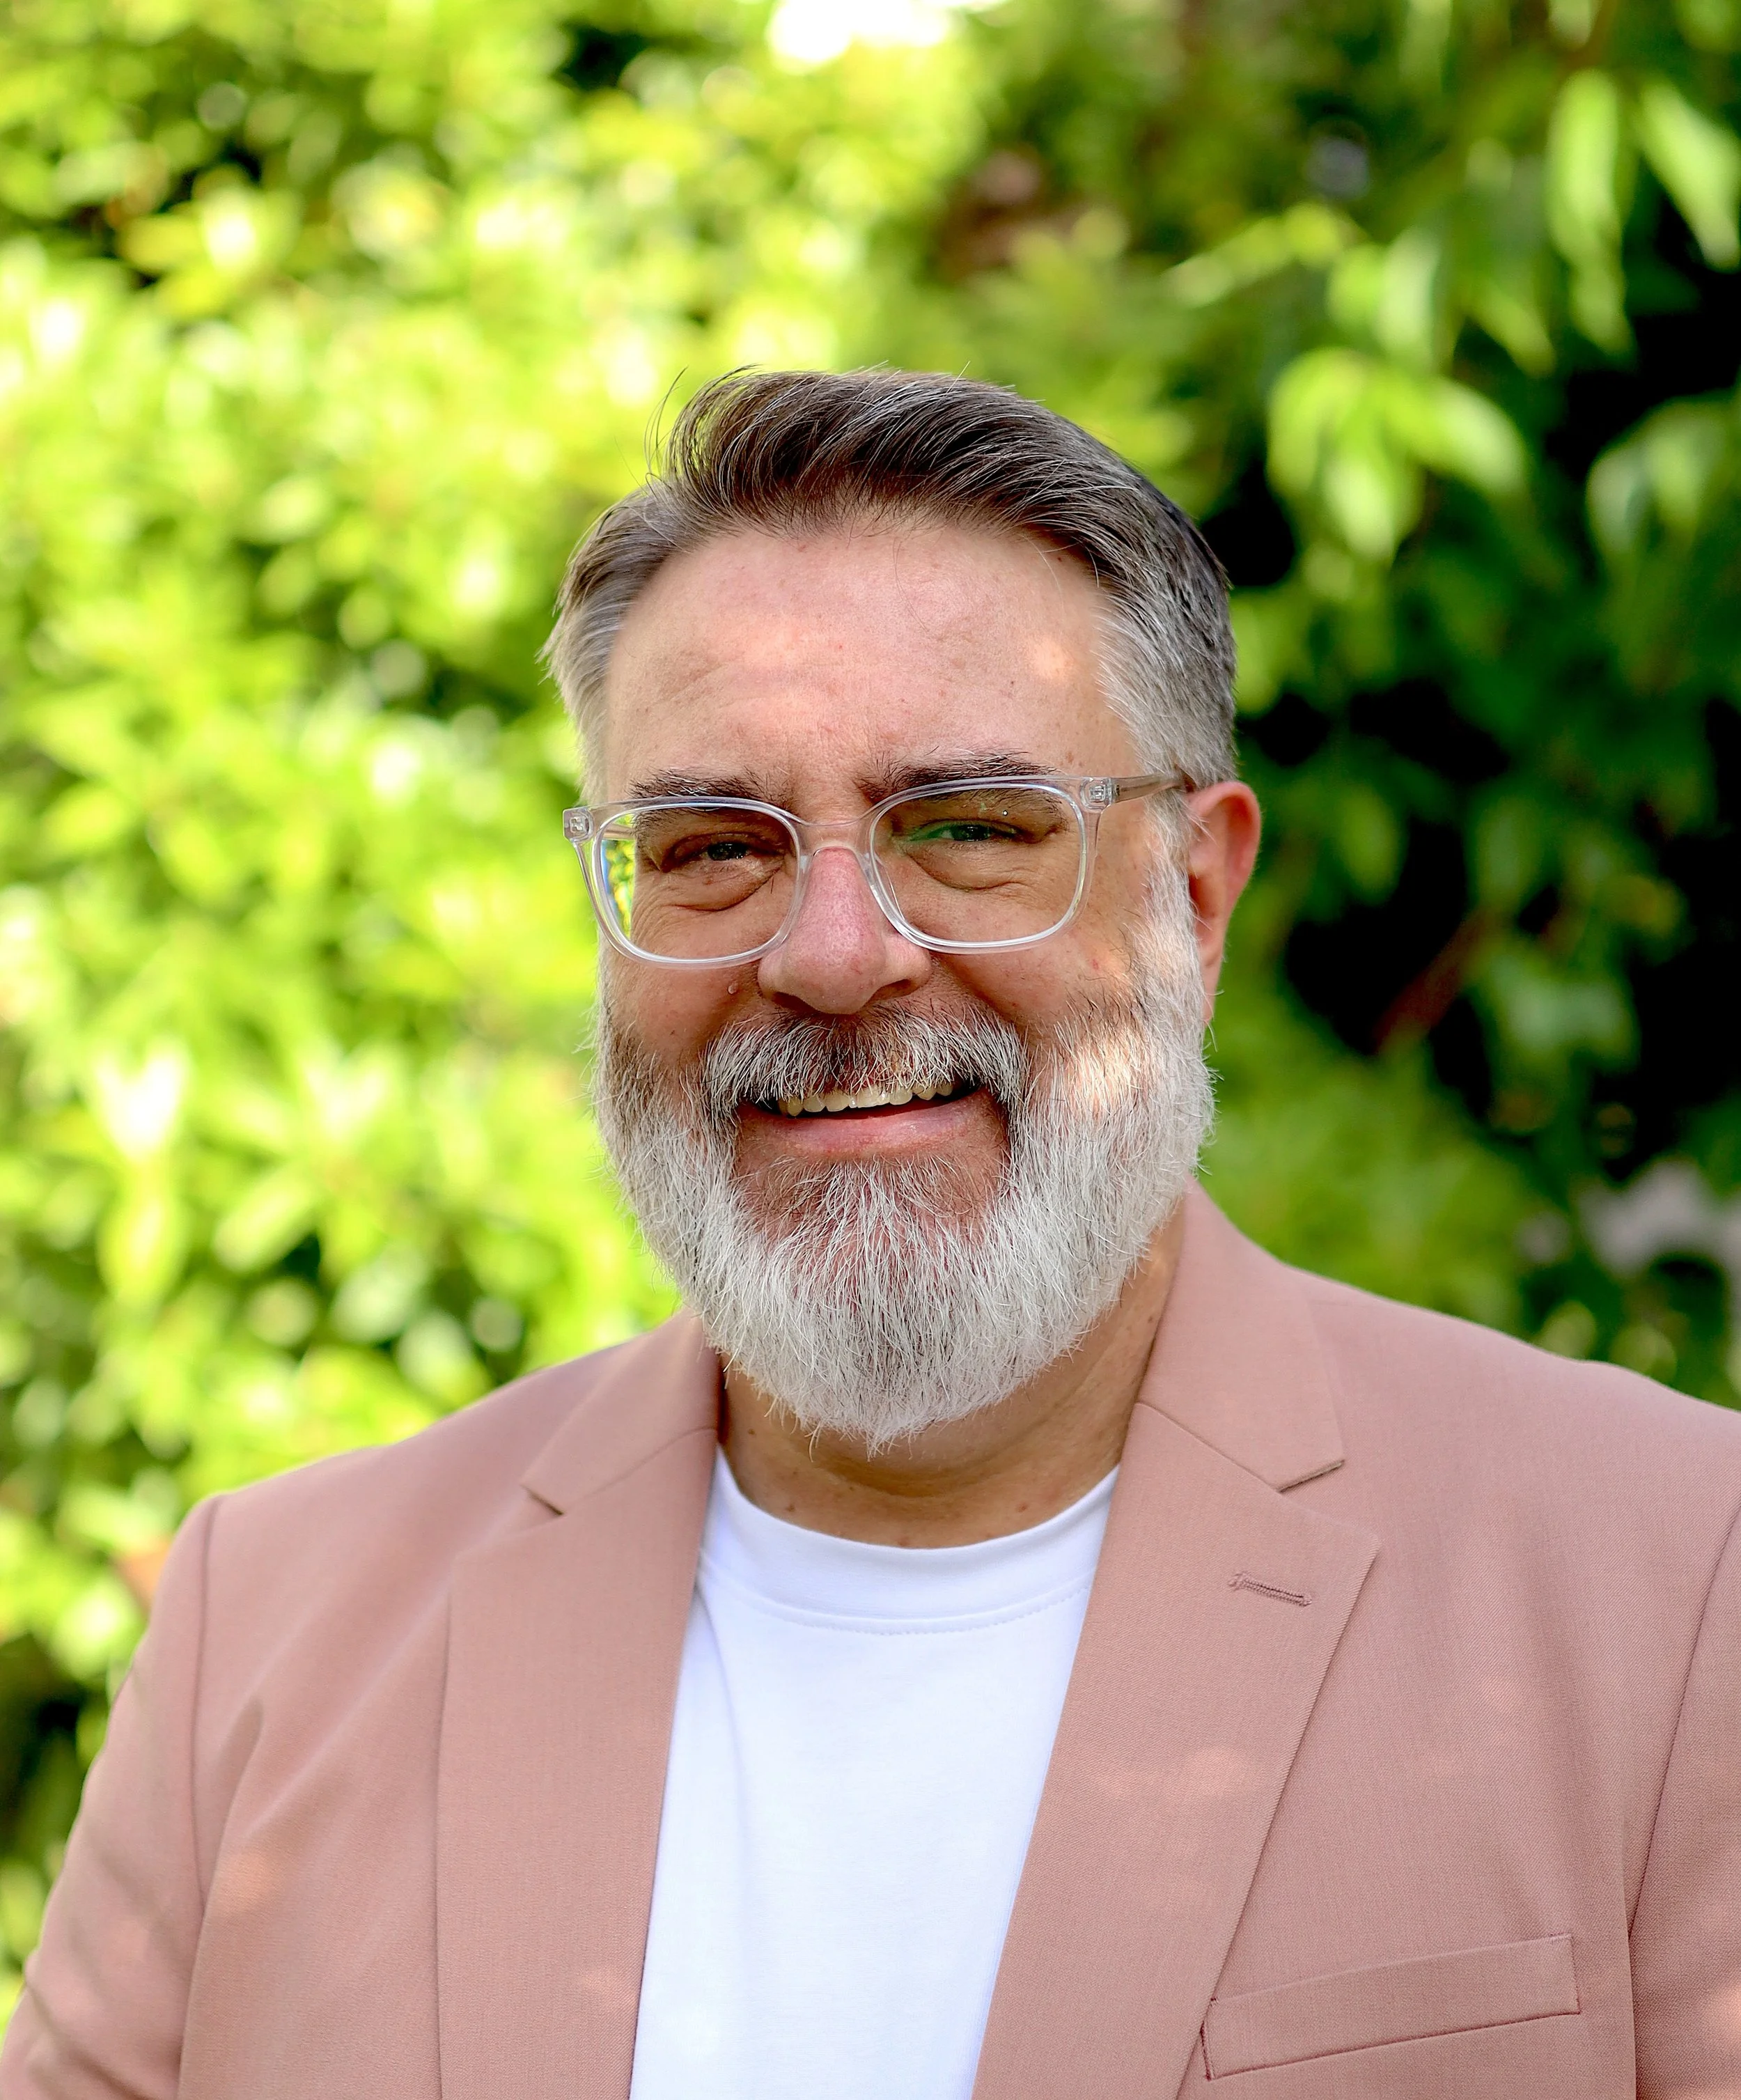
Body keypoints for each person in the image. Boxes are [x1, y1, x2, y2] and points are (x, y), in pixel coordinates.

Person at [4, 368, 1738, 2100]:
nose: (832, 955)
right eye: (707, 848)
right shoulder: (275, 1631)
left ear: (1195, 897)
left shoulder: (1669, 1589)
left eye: (967, 829)